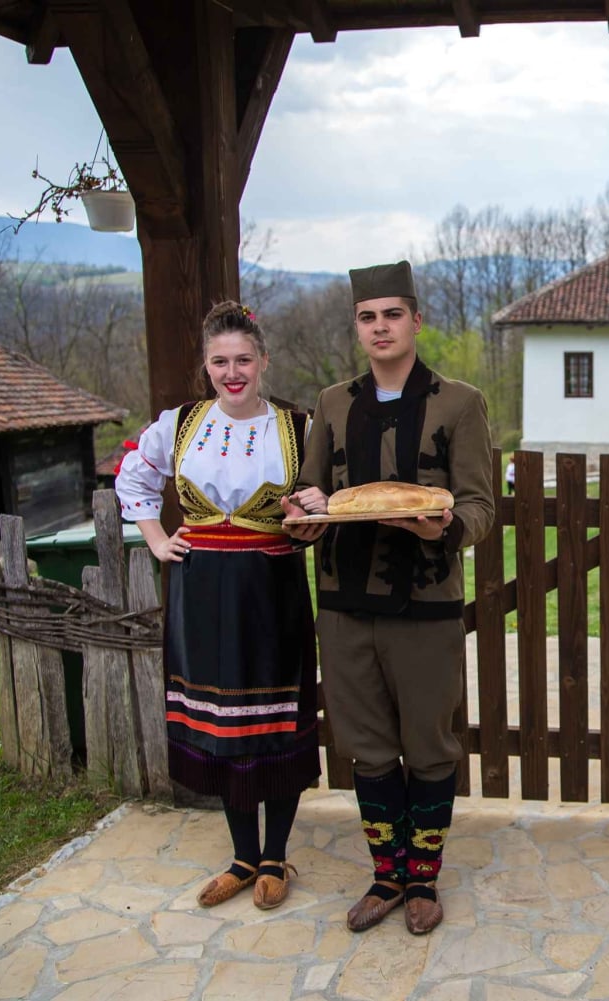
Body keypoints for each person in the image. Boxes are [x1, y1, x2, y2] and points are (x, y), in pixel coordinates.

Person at [283, 261, 494, 936]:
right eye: (368, 317)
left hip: (426, 601)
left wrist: (448, 525)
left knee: (430, 747)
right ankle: (387, 874)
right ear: (358, 326)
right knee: (367, 748)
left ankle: (424, 879)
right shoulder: (334, 402)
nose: (380, 327)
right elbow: (315, 490)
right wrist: (303, 512)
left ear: (416, 320)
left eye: (392, 314)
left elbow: (481, 503)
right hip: (344, 604)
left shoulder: (459, 402)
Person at [116, 301, 318, 912]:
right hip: (200, 589)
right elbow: (134, 478)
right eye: (219, 362)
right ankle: (240, 857)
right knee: (224, 723)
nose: (232, 372)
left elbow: (319, 501)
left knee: (275, 719)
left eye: (243, 360)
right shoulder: (179, 425)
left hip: (271, 586)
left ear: (263, 362)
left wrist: (310, 518)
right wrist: (156, 539)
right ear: (206, 365)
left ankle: (275, 856)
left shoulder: (297, 427)